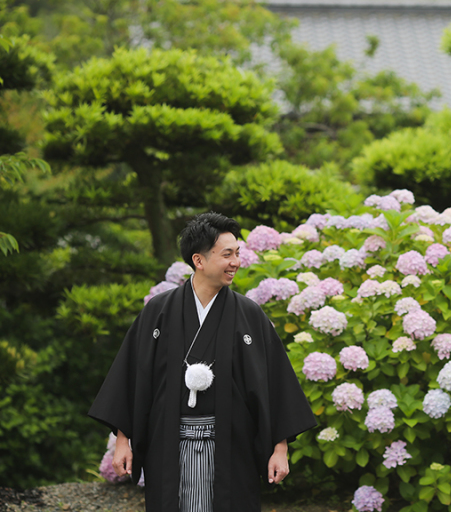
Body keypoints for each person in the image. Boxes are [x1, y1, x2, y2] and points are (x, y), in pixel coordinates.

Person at [89, 213, 317, 512]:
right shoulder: (159, 312)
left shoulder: (249, 315)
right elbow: (132, 376)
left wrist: (280, 448)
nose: (236, 262)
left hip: (233, 449)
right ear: (199, 260)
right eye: (227, 255)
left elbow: (276, 383)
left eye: (237, 253)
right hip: (168, 445)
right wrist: (123, 441)